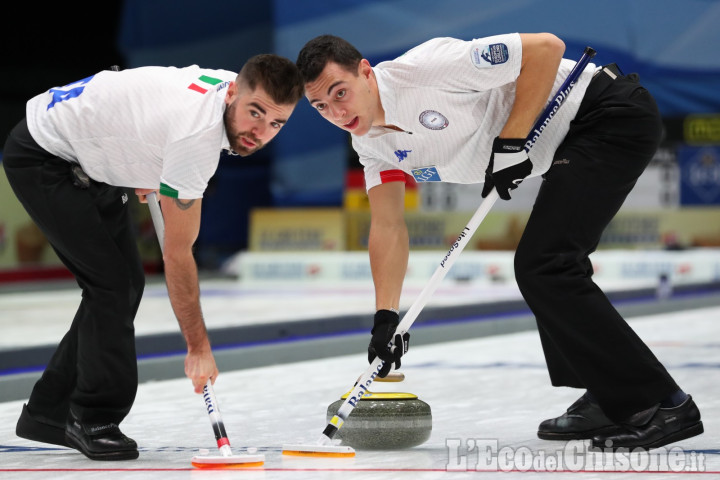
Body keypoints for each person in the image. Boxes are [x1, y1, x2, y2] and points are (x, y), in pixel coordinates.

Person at [296, 33, 703, 451]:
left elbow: (547, 49)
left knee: (545, 265)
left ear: (365, 71)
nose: (336, 111)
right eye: (321, 106)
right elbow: (388, 225)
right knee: (551, 265)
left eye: (339, 92)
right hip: (572, 141)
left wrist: (510, 141)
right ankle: (609, 394)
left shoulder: (426, 67)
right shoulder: (370, 144)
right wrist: (386, 317)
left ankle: (664, 404)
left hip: (607, 114)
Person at [3, 54, 304, 460]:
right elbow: (178, 256)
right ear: (233, 92)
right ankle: (93, 416)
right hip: (47, 154)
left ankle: (48, 412)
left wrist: (146, 164)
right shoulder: (196, 136)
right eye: (255, 113)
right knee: (110, 285)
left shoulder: (231, 90)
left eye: (276, 123)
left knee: (125, 283)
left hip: (94, 156)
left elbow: (145, 106)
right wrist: (198, 348)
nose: (260, 132)